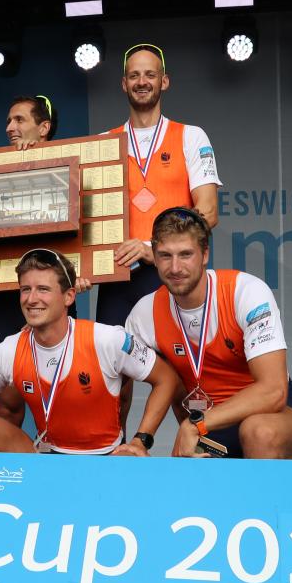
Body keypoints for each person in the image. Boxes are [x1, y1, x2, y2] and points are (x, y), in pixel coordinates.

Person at [0, 247, 181, 456]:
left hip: (103, 459)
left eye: (43, 289)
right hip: (44, 457)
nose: (32, 298)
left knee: (130, 461)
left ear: (68, 296)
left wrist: (141, 440)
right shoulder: (10, 348)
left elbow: (165, 378)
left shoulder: (106, 339)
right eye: (26, 289)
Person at [96, 44, 222, 434]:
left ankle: (199, 450)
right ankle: (112, 453)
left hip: (172, 274)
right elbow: (84, 220)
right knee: (113, 382)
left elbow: (208, 213)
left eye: (149, 74)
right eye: (134, 75)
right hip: (118, 278)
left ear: (164, 81)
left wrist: (153, 249)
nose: (142, 81)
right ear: (123, 84)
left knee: (185, 378)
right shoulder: (104, 142)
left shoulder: (190, 136)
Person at [126, 207, 292, 459]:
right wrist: (140, 441)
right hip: (205, 425)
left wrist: (195, 425)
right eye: (165, 256)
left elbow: (273, 391)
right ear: (155, 259)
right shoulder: (144, 313)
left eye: (185, 254)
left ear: (205, 254)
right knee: (172, 473)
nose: (175, 267)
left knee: (259, 432)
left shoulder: (245, 292)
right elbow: (124, 382)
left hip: (269, 414)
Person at [0, 95, 78, 426]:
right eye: (8, 121)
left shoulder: (72, 166)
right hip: (5, 297)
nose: (9, 127)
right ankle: (11, 461)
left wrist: (86, 270)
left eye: (19, 120)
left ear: (43, 128)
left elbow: (86, 233)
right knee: (5, 402)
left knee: (64, 396)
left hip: (50, 295)